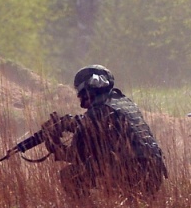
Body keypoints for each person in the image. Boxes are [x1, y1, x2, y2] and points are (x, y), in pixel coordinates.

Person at [45, 65, 167, 199]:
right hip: (155, 171)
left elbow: (76, 156)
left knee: (69, 176)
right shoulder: (125, 103)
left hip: (130, 173)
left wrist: (53, 144)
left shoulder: (98, 111)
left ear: (87, 91)